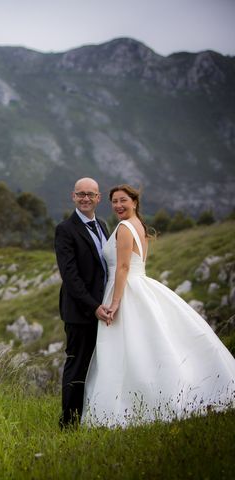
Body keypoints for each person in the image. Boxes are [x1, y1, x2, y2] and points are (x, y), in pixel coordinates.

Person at [82, 184, 235, 428]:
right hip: (140, 284)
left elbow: (123, 267)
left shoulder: (123, 228)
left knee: (126, 348)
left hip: (126, 289)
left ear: (134, 202)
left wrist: (116, 301)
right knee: (146, 344)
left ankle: (130, 404)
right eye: (114, 202)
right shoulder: (139, 226)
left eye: (123, 200)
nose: (118, 205)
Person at [54, 177, 111, 429]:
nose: (85, 198)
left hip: (103, 309)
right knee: (76, 365)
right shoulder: (65, 229)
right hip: (80, 312)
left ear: (98, 198)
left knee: (99, 366)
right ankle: (68, 424)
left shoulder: (103, 225)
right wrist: (93, 306)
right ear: (73, 197)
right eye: (81, 194)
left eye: (91, 194)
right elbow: (71, 277)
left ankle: (93, 416)